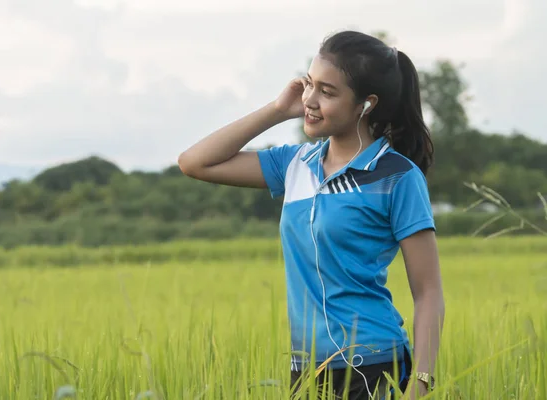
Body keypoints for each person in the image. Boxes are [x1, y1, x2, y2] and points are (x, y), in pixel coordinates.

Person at [177, 30, 445, 400]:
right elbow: (194, 162)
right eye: (309, 85)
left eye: (327, 92)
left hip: (372, 362)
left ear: (366, 105)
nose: (310, 100)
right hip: (305, 368)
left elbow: (428, 291)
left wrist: (422, 382)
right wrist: (276, 110)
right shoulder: (295, 164)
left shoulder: (397, 177)